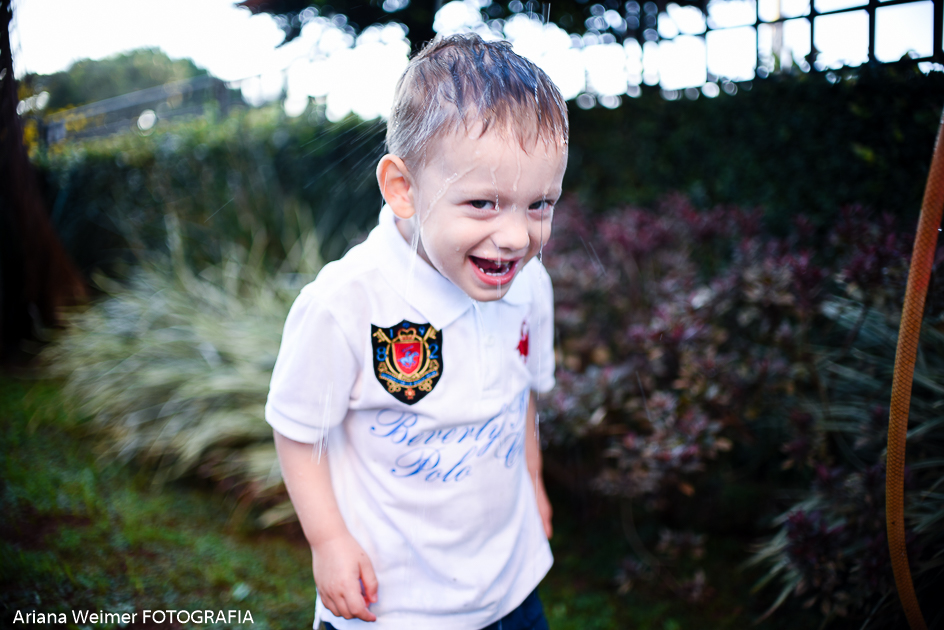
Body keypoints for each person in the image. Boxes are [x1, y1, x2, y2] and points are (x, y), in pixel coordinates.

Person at [265, 33, 568, 630]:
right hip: (393, 608)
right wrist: (328, 541)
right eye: (483, 204)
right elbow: (297, 431)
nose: (516, 237)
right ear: (403, 189)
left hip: (514, 591)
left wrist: (533, 480)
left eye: (539, 204)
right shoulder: (344, 303)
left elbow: (522, 396)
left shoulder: (530, 284)